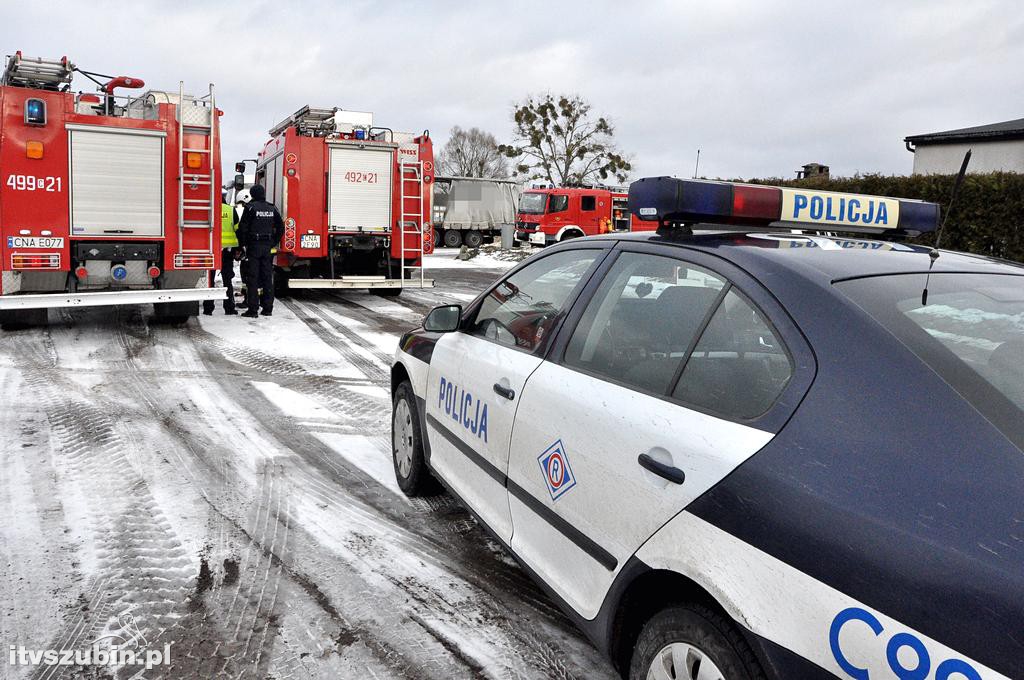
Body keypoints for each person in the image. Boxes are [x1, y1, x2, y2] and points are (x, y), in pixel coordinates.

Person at [235, 184, 284, 318]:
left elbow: (242, 228)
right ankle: (268, 308)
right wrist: (273, 241)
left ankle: (253, 309)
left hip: (254, 247)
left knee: (253, 278)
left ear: (253, 194)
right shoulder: (271, 208)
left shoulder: (250, 208)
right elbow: (281, 227)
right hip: (267, 247)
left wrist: (243, 245)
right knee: (267, 277)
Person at [203, 192, 240, 316]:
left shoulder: (207, 210)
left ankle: (208, 309)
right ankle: (229, 308)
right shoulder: (230, 210)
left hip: (210, 251)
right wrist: (239, 249)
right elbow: (238, 230)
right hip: (227, 251)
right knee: (227, 280)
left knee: (210, 281)